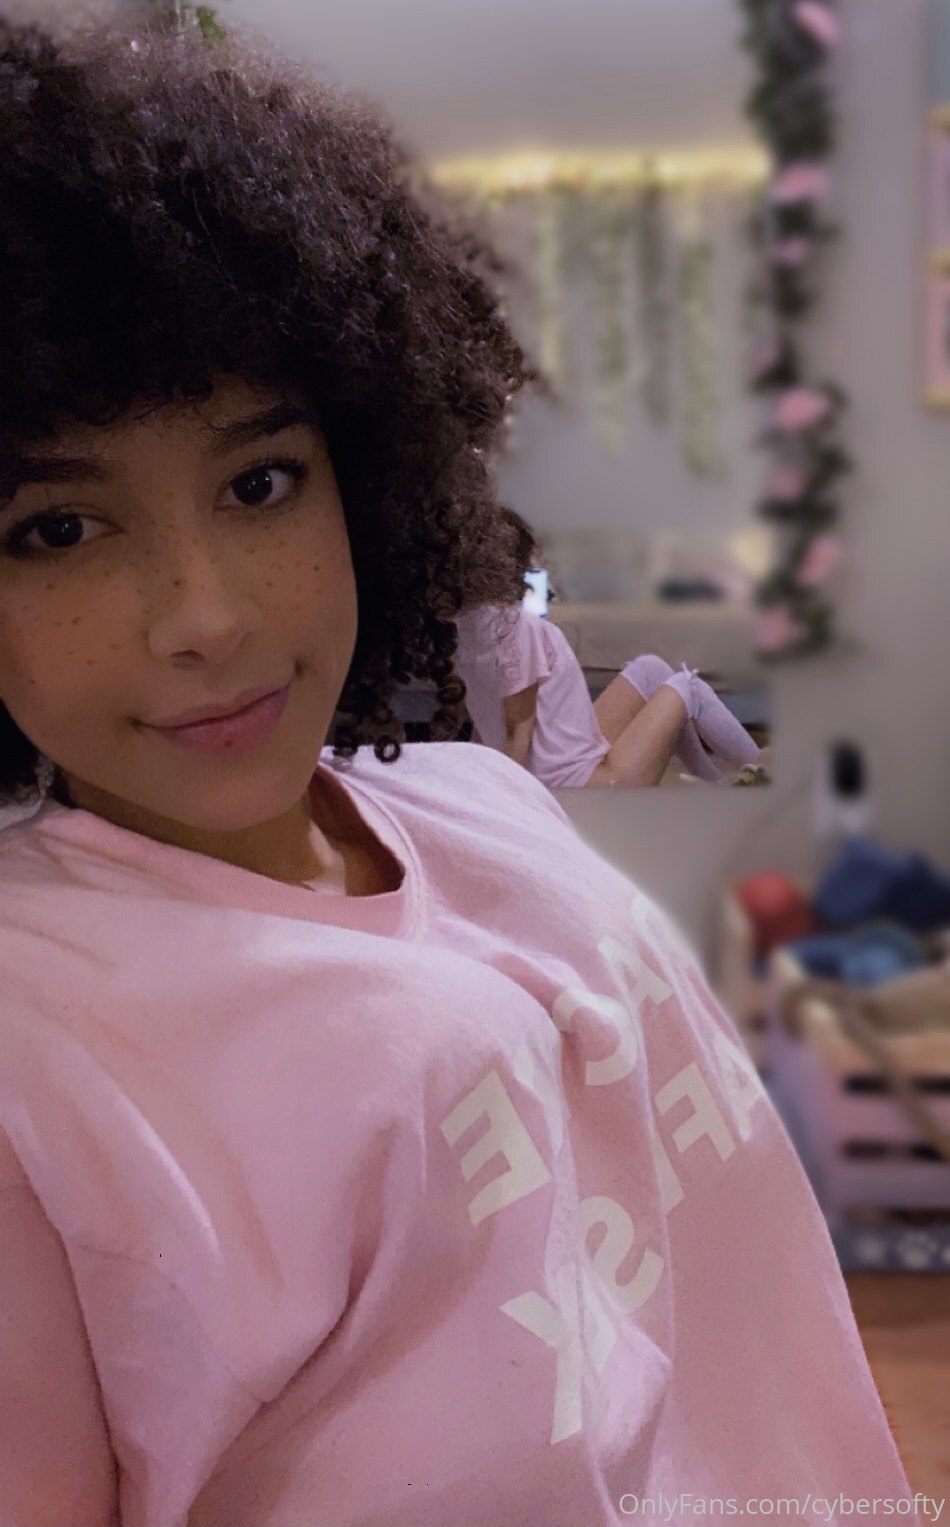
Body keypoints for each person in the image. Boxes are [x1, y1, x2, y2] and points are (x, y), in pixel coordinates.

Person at [0, 14, 921, 1527]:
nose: (204, 614)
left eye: (259, 482)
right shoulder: (36, 1043)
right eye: (57, 529)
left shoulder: (479, 797)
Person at [454, 511, 761, 789]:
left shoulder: (466, 624)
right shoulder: (516, 627)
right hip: (582, 784)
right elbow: (518, 731)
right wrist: (511, 800)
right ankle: (762, 773)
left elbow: (486, 719)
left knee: (651, 668)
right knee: (687, 686)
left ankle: (713, 783)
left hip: (564, 763)